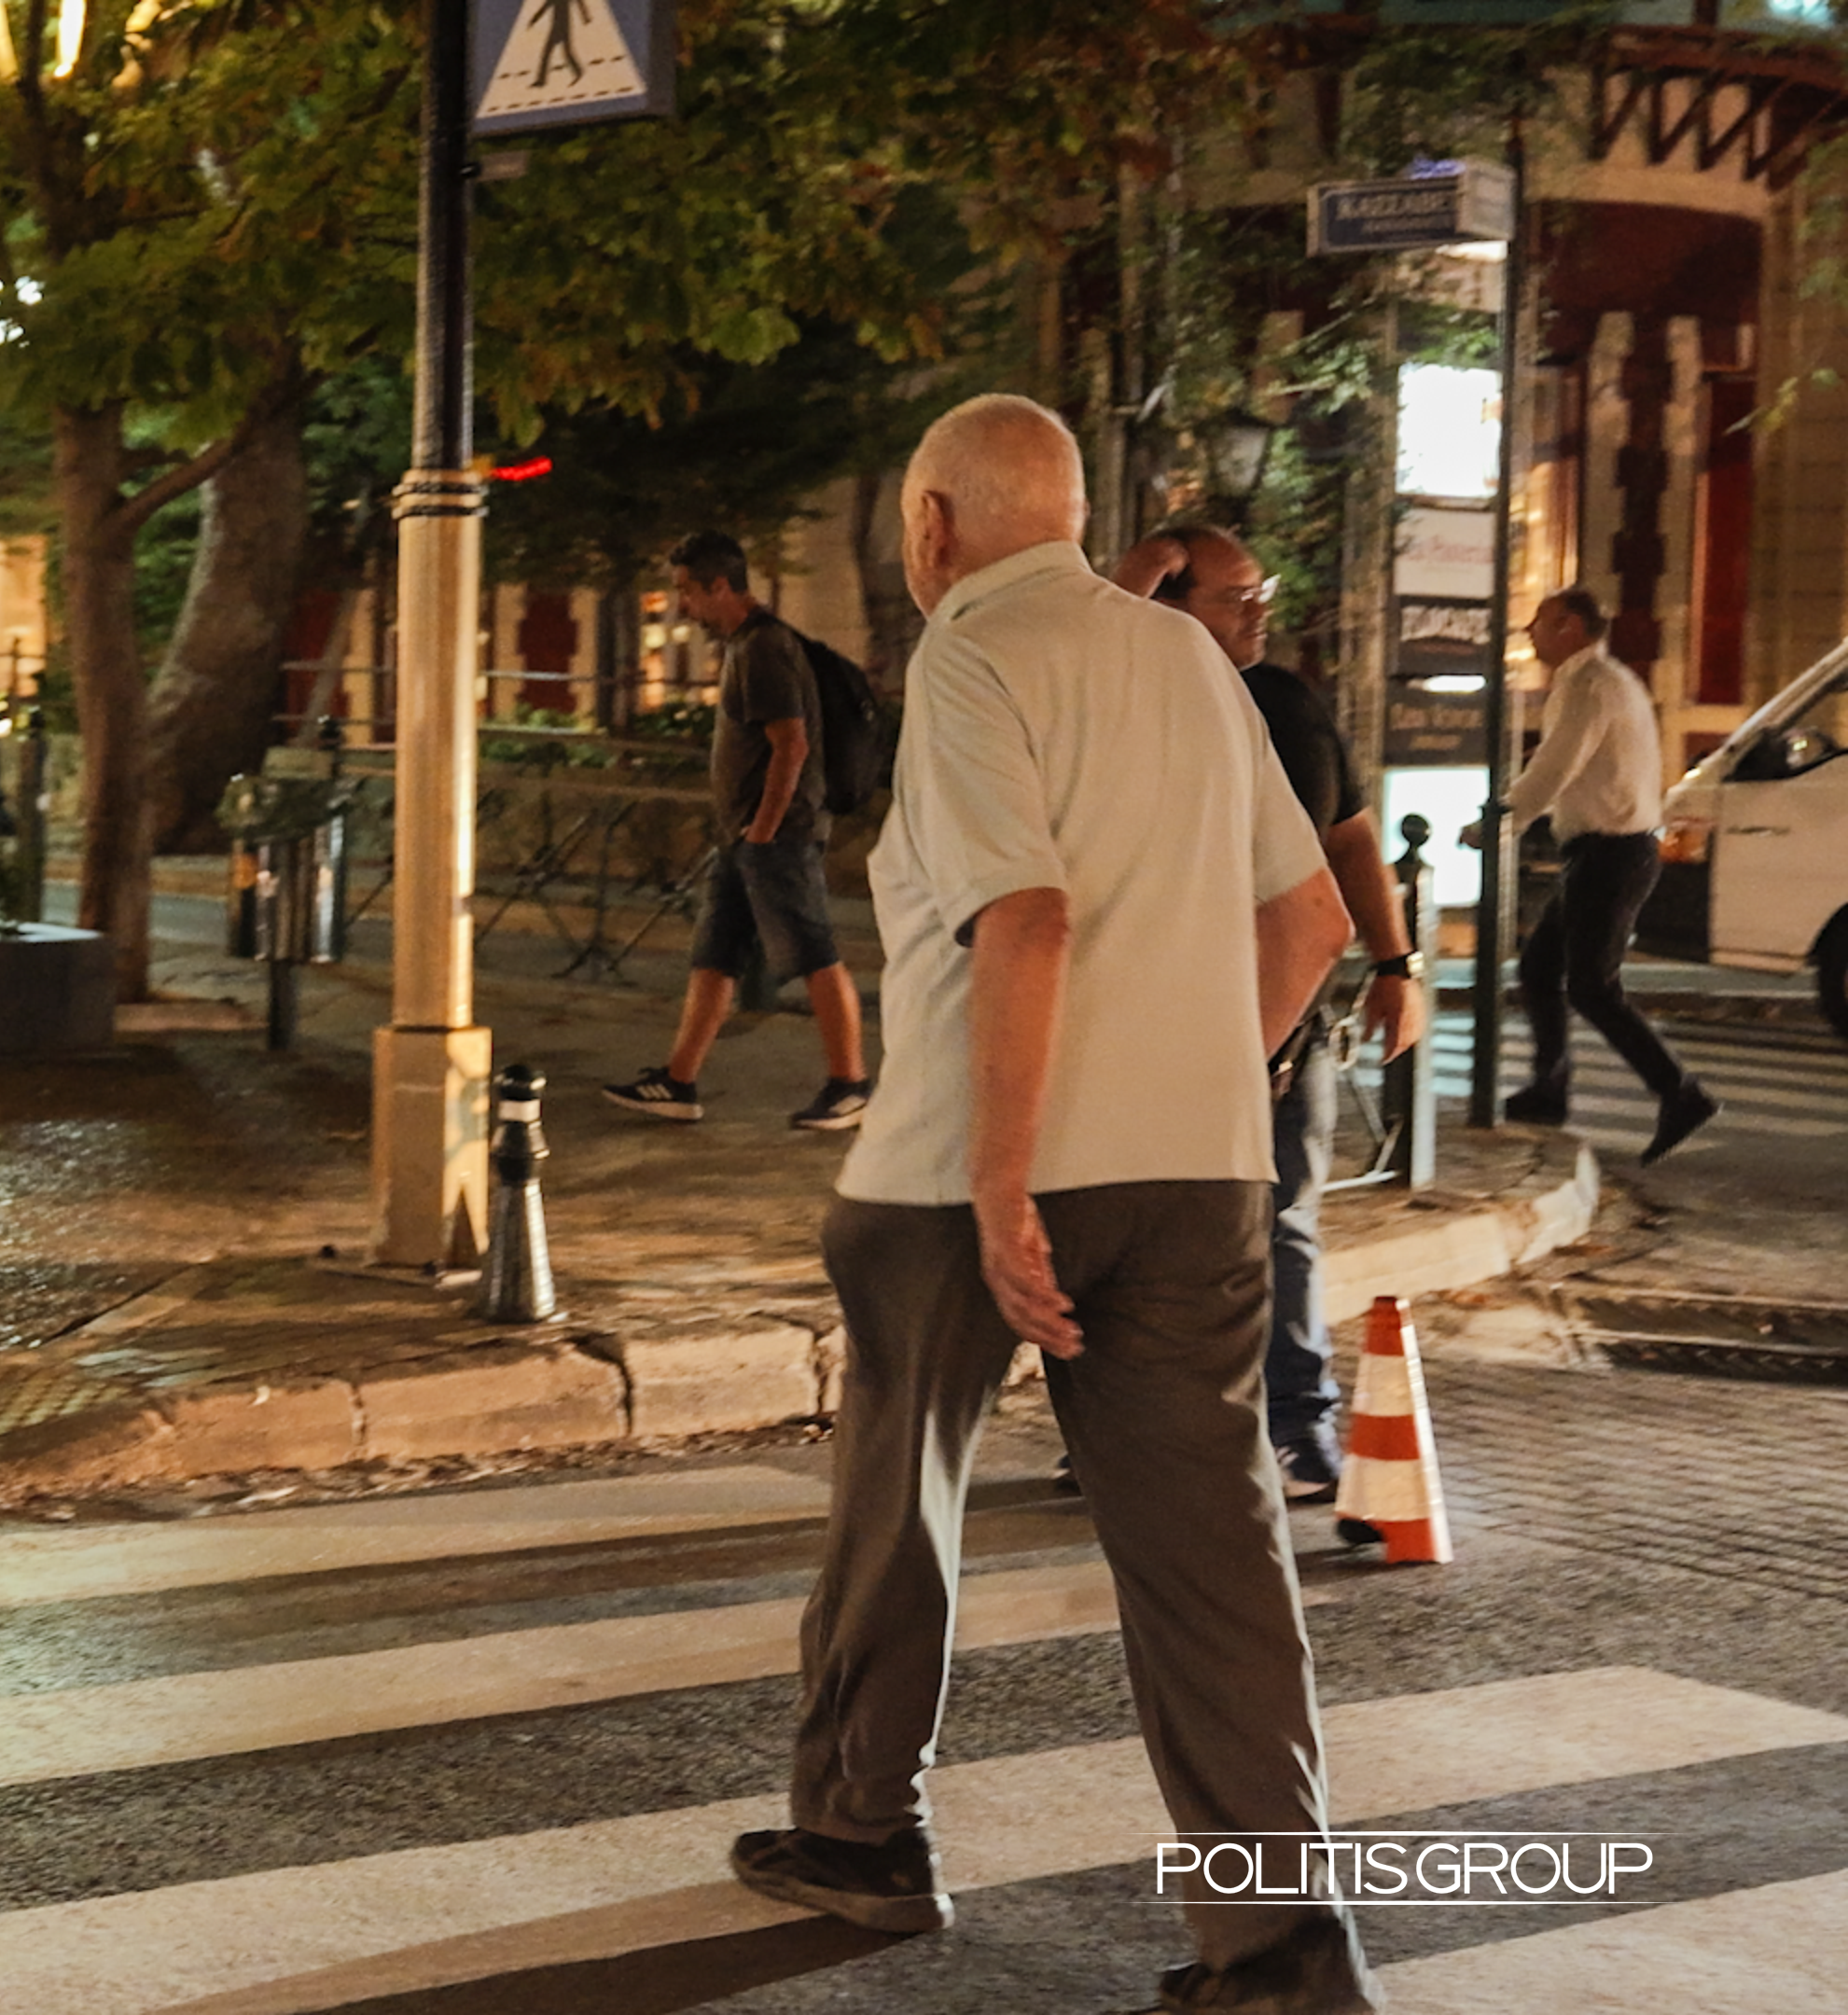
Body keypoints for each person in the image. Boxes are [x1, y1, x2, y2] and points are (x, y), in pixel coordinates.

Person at [729, 396, 1377, 2015]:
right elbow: (1307, 921)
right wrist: (1186, 1072)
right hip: (1197, 1174)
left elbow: (1023, 915)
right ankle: (1280, 1951)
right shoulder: (1187, 661)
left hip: (961, 1172)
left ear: (936, 523)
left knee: (903, 1505)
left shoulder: (966, 655)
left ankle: (864, 1836)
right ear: (1075, 516)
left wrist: (1010, 1177)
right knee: (1215, 1560)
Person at [1108, 526, 1430, 1504]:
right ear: (1165, 600)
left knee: (1283, 1218)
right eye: (1231, 595)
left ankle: (1297, 1425)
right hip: (1158, 1017)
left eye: (1264, 591)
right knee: (1146, 1231)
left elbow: (1351, 841)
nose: (1258, 610)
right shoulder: (1128, 701)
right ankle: (1121, 1429)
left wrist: (1396, 962)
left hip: (1281, 1023)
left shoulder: (1284, 703)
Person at [601, 530, 873, 1132]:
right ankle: (678, 1081)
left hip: (775, 835)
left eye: (687, 593)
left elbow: (791, 744)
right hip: (746, 837)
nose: (683, 607)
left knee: (814, 952)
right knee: (715, 957)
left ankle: (850, 1084)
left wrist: (763, 831)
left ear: (720, 585)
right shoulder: (750, 645)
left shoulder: (763, 649)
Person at [1468, 589, 1716, 1162]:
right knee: (1540, 968)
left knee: (1591, 986)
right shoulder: (1597, 680)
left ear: (1572, 627)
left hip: (1614, 852)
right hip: (1602, 851)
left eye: (1540, 623)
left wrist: (1502, 820)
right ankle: (1549, 1089)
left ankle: (1681, 1093)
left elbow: (1557, 762)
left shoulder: (1593, 685)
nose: (1529, 633)